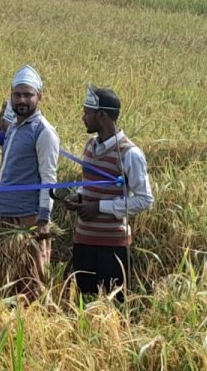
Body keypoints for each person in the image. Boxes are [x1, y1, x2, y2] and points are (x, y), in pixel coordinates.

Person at [64, 85, 154, 300]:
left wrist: (99, 207)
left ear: (102, 116)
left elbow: (144, 200)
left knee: (111, 306)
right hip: (84, 240)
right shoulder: (90, 146)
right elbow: (89, 183)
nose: (83, 117)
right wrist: (79, 196)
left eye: (87, 112)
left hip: (111, 247)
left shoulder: (129, 153)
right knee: (83, 303)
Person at [0, 65, 59, 296]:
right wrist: (1, 113)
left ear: (39, 97)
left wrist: (43, 217)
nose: (22, 99)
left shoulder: (43, 131)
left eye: (28, 95)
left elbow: (49, 177)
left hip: (27, 215)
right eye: (17, 94)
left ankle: (34, 323)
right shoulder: (15, 128)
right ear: (11, 96)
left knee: (31, 276)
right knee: (5, 274)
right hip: (4, 211)